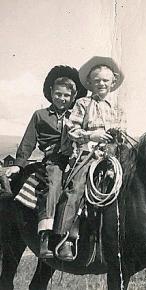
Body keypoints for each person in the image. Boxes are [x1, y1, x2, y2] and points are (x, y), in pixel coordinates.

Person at [6, 66, 87, 259]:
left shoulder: (77, 116)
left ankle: (69, 237)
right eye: (58, 94)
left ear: (74, 97)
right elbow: (28, 142)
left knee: (81, 188)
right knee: (53, 185)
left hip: (77, 159)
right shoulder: (40, 115)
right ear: (50, 93)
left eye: (67, 95)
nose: (62, 98)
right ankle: (45, 236)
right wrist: (18, 164)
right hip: (55, 161)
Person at [54, 56, 125, 261]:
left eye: (105, 80)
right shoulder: (83, 104)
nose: (101, 84)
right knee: (76, 188)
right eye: (97, 81)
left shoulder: (118, 108)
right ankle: (66, 237)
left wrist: (116, 141)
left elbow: (123, 132)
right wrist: (91, 135)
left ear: (113, 82)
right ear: (90, 83)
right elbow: (72, 130)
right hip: (87, 154)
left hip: (114, 156)